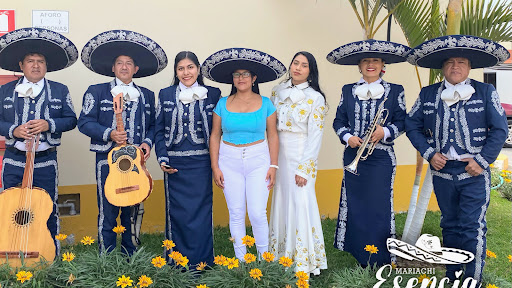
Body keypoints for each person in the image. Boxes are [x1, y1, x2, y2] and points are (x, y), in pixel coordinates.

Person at [406, 35, 509, 283]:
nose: (455, 66)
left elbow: (500, 130)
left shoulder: (486, 91)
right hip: (442, 173)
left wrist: (482, 160)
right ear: (443, 66)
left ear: (469, 66)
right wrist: (430, 153)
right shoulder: (428, 93)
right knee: (449, 226)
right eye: (450, 62)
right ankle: (453, 277)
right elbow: (411, 124)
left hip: (474, 172)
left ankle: (472, 279)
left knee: (471, 228)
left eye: (461, 61)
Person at [78, 30, 167, 255]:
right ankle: (105, 258)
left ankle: (130, 255)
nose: (124, 67)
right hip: (106, 160)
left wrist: (147, 143)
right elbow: (84, 122)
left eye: (129, 64)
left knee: (132, 210)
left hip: (136, 161)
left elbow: (154, 125)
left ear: (136, 69)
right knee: (107, 210)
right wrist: (109, 133)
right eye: (120, 63)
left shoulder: (147, 95)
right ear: (113, 68)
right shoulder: (96, 91)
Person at [328, 39, 410, 266]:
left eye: (375, 60)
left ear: (383, 64)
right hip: (354, 156)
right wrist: (347, 137)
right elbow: (338, 120)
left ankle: (381, 256)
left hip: (382, 158)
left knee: (379, 205)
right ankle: (360, 252)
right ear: (360, 66)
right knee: (356, 204)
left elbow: (403, 121)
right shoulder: (348, 90)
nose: (370, 64)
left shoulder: (395, 91)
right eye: (365, 61)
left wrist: (384, 131)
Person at [0, 27, 78, 255]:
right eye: (30, 61)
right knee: (11, 209)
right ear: (21, 65)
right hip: (14, 160)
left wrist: (49, 124)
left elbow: (71, 120)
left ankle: (49, 255)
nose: (35, 65)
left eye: (40, 61)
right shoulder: (5, 90)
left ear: (46, 66)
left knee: (47, 209)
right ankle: (10, 256)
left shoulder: (60, 90)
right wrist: (14, 130)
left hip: (45, 161)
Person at [203, 48, 285, 260]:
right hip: (228, 160)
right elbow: (214, 135)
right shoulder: (222, 103)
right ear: (232, 79)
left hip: (259, 159)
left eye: (245, 74)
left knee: (258, 213)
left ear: (254, 78)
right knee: (237, 213)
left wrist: (273, 165)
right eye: (237, 75)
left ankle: (264, 260)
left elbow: (273, 136)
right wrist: (215, 167)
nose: (241, 78)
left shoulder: (266, 103)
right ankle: (241, 262)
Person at [154, 51, 220, 266]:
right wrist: (162, 158)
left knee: (201, 213)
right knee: (176, 214)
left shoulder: (212, 93)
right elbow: (158, 129)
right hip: (174, 164)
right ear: (176, 71)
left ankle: (202, 263)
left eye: (190, 67)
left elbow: (219, 131)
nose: (186, 72)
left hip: (202, 162)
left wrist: (216, 162)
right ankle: (176, 263)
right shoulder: (165, 94)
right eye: (181, 68)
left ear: (198, 69)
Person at [268, 51, 328, 275]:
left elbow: (315, 136)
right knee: (282, 200)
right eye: (295, 63)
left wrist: (305, 167)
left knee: (301, 201)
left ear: (310, 71)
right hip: (279, 153)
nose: (298, 68)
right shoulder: (277, 91)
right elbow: (270, 127)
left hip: (302, 152)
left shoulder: (315, 98)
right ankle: (281, 256)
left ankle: (303, 260)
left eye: (304, 65)